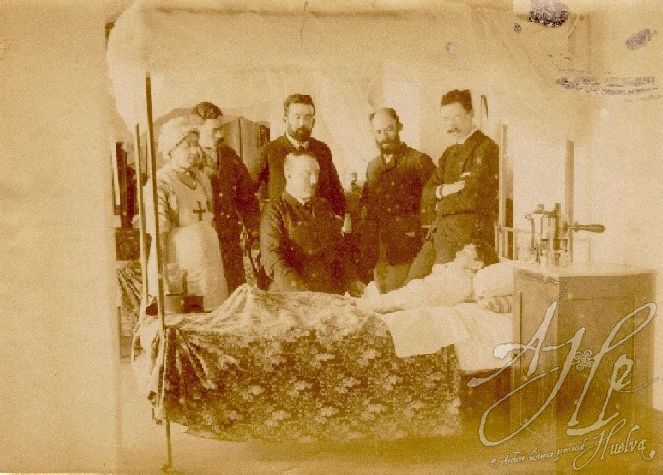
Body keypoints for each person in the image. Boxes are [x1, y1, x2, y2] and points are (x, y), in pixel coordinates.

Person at [406, 89, 499, 282]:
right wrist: (446, 190)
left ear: (470, 113)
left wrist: (439, 204)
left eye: (456, 117)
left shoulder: (486, 148)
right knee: (411, 283)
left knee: (441, 290)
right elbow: (427, 193)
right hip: (438, 233)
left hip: (466, 238)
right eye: (446, 119)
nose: (451, 125)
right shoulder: (448, 153)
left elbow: (472, 198)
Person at [144, 116, 228, 311]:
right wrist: (162, 276)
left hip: (209, 265)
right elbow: (159, 235)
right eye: (187, 146)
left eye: (196, 144)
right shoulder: (161, 183)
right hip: (181, 268)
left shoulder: (202, 179)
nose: (195, 151)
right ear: (171, 150)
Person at [260, 150, 363, 295]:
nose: (314, 180)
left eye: (316, 173)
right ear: (288, 174)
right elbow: (273, 260)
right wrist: (303, 294)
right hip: (291, 293)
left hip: (327, 291)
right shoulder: (274, 210)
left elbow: (339, 249)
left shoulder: (323, 206)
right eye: (307, 174)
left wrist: (352, 280)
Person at [360, 108, 435, 293]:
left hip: (408, 248)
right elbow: (368, 209)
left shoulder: (418, 161)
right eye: (379, 132)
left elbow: (435, 203)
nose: (384, 136)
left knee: (403, 297)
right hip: (379, 251)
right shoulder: (372, 167)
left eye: (389, 129)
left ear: (399, 126)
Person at [190, 102, 260, 293]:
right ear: (196, 129)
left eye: (221, 128)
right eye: (214, 130)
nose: (220, 134)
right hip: (204, 241)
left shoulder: (228, 155)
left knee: (236, 290)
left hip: (230, 238)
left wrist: (253, 229)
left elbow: (247, 196)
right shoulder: (189, 160)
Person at [250, 94, 345, 216]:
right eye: (297, 117)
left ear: (313, 122)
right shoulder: (269, 151)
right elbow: (246, 192)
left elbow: (336, 191)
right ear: (285, 120)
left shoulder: (322, 150)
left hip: (319, 222)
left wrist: (340, 217)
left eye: (307, 117)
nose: (302, 123)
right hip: (283, 223)